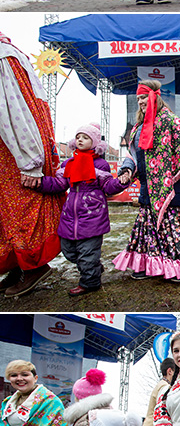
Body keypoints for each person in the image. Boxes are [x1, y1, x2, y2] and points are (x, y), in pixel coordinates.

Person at [114, 80, 180, 282]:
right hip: (148, 188)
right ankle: (145, 265)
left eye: (144, 97)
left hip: (170, 187)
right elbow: (133, 154)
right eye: (138, 98)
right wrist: (126, 170)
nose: (140, 102)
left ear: (154, 97)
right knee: (147, 228)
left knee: (172, 228)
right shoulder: (137, 128)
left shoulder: (172, 121)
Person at [24, 123, 130, 297]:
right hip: (70, 215)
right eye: (78, 136)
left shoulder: (101, 165)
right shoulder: (69, 163)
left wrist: (122, 182)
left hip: (92, 215)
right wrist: (39, 182)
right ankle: (93, 267)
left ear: (94, 143)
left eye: (85, 137)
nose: (80, 139)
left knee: (87, 253)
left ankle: (90, 283)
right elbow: (59, 184)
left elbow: (109, 187)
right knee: (69, 251)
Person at [0, 32, 64, 298]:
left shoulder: (4, 57)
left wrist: (29, 160)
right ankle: (18, 266)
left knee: (19, 208)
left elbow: (12, 111)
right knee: (7, 212)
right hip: (15, 150)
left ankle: (35, 266)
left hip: (14, 152)